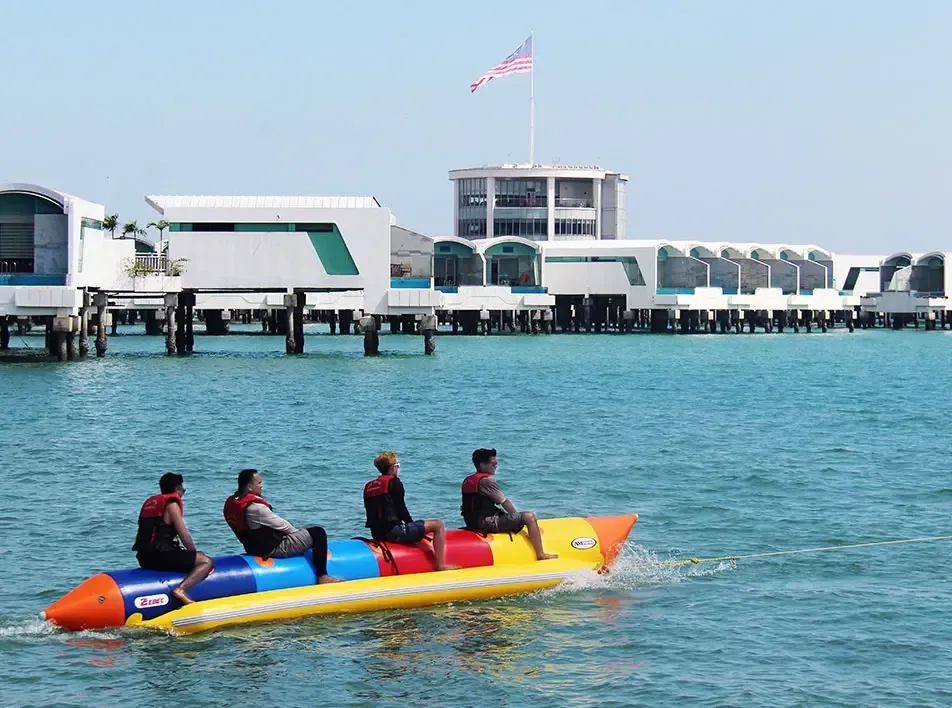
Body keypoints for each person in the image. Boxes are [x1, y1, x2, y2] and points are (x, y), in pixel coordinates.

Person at [222, 469, 341, 584]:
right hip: (273, 550)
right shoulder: (256, 508)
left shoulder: (235, 504)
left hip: (252, 549)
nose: (262, 486)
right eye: (259, 483)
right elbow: (284, 527)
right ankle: (323, 576)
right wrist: (304, 540)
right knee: (318, 533)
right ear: (250, 487)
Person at [363, 452, 460, 571]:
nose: (398, 468)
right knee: (438, 525)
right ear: (392, 467)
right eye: (397, 465)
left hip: (377, 534)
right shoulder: (394, 483)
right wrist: (411, 525)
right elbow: (401, 509)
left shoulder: (369, 486)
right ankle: (441, 565)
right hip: (393, 532)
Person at [461, 448, 558, 561]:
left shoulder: (469, 480)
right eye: (493, 464)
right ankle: (541, 554)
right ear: (482, 465)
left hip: (471, 522)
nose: (496, 466)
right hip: (486, 523)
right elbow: (504, 502)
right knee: (529, 516)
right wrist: (517, 518)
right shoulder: (487, 481)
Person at [132, 472, 214, 605]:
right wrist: (193, 553)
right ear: (177, 489)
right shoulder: (171, 505)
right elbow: (184, 535)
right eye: (183, 490)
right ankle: (181, 589)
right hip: (160, 557)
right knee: (205, 561)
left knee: (195, 556)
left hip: (143, 557)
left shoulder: (151, 503)